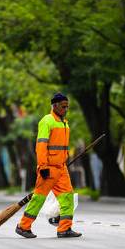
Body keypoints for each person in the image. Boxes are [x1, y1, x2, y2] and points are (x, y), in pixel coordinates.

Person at [16, 93, 82, 239]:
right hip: (49, 168)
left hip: (61, 168)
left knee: (68, 198)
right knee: (39, 198)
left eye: (67, 106)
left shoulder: (65, 123)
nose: (66, 109)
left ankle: (64, 229)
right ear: (55, 106)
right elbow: (41, 146)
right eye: (63, 106)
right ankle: (23, 226)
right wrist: (43, 166)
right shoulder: (47, 121)